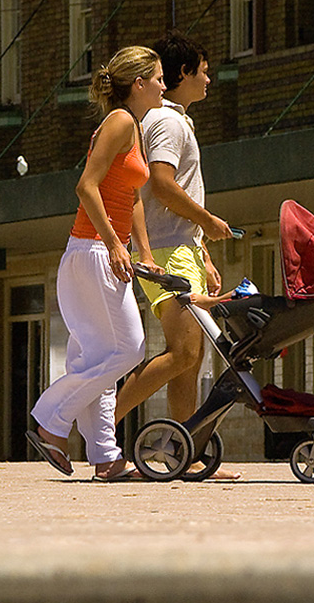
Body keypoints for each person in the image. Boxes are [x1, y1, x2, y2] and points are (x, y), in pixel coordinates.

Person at [26, 46, 166, 481]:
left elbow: (132, 198)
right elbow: (86, 187)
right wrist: (113, 244)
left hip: (96, 253)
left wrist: (142, 252)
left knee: (97, 358)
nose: (164, 85)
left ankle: (106, 456)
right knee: (129, 349)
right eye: (158, 78)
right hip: (92, 252)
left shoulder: (135, 127)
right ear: (138, 84)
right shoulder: (122, 121)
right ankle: (52, 420)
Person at [113, 30, 238, 478]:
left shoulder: (173, 118)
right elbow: (162, 185)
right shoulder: (166, 122)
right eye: (203, 71)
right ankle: (101, 428)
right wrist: (207, 221)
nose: (209, 80)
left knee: (191, 356)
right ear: (185, 71)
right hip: (167, 251)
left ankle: (183, 453)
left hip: (180, 247)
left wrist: (201, 250)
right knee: (185, 352)